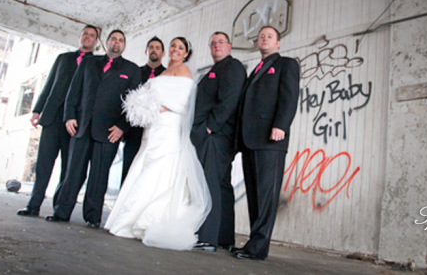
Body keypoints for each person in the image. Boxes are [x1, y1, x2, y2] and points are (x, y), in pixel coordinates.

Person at [104, 37, 211, 251]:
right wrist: (143, 109)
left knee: (160, 167)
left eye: (180, 48)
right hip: (152, 127)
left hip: (169, 126)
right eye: (173, 46)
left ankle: (148, 219)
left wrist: (161, 107)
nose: (175, 49)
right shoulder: (163, 73)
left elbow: (184, 103)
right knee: (144, 164)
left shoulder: (184, 71)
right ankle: (129, 218)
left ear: (186, 54)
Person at [47, 30, 140, 228]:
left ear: (124, 45)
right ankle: (61, 212)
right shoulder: (89, 63)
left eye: (120, 40)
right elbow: (74, 91)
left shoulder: (131, 70)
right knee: (73, 173)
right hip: (81, 127)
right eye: (113, 39)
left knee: (99, 176)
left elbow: (134, 103)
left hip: (109, 132)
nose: (116, 42)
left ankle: (92, 217)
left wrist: (122, 127)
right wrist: (69, 116)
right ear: (106, 42)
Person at [17, 25, 98, 217]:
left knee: (68, 169)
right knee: (43, 164)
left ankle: (58, 209)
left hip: (75, 123)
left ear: (96, 42)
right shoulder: (63, 58)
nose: (87, 37)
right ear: (79, 37)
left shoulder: (96, 64)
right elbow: (49, 84)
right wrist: (37, 110)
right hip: (52, 118)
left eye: (92, 35)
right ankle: (33, 205)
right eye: (85, 34)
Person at [234, 26, 299, 260]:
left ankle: (258, 248)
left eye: (270, 36)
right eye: (261, 36)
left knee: (266, 197)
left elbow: (290, 97)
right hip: (250, 140)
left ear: (278, 43)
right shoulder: (256, 69)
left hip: (271, 140)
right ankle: (254, 243)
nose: (264, 38)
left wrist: (281, 125)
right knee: (255, 196)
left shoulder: (286, 64)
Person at [191, 32, 245, 253]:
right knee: (221, 185)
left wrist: (210, 127)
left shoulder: (233, 67)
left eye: (221, 42)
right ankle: (223, 237)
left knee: (211, 184)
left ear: (229, 46)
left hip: (217, 135)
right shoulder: (214, 70)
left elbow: (230, 100)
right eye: (213, 43)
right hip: (215, 135)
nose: (216, 46)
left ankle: (207, 238)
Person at [121, 37, 166, 185]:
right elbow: (126, 99)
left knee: (150, 171)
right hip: (134, 130)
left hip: (156, 131)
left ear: (163, 53)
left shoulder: (167, 74)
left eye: (157, 48)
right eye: (151, 47)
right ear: (146, 51)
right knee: (129, 168)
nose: (154, 50)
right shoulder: (136, 72)